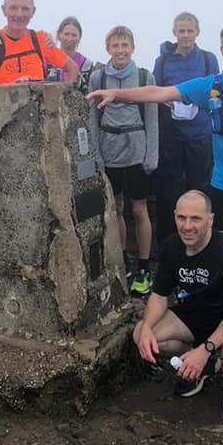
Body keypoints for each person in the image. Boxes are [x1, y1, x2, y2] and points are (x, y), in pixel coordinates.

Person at [88, 22, 223, 346]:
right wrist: (118, 92)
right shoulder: (210, 86)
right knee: (220, 249)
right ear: (222, 51)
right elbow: (161, 93)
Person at [134, 190, 223, 411]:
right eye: (181, 218)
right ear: (174, 216)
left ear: (210, 220)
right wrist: (146, 326)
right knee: (142, 334)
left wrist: (207, 348)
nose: (187, 226)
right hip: (192, 316)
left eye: (196, 219)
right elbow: (159, 296)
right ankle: (201, 365)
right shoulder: (171, 247)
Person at [88, 26, 158, 297]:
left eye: (124, 45)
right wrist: (96, 156)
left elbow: (151, 116)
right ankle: (122, 262)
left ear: (133, 47)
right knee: (115, 208)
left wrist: (152, 156)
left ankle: (143, 268)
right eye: (115, 46)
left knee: (140, 209)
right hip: (109, 151)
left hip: (137, 151)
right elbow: (92, 119)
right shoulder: (98, 77)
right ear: (108, 49)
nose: (120, 50)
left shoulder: (144, 76)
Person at [153, 12, 219, 241]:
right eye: (181, 31)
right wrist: (165, 100)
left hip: (200, 134)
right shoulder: (162, 62)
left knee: (200, 189)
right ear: (174, 33)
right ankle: (169, 243)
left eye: (190, 31)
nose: (186, 35)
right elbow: (155, 92)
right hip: (171, 135)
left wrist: (199, 101)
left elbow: (215, 92)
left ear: (197, 33)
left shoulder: (209, 60)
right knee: (168, 191)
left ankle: (202, 241)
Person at [0, 0, 78, 95]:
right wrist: (16, 89)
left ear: (33, 12)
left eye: (25, 9)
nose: (19, 14)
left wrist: (64, 99)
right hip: (3, 110)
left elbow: (72, 68)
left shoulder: (40, 40)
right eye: (13, 8)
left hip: (37, 110)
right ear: (4, 10)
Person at [46, 16, 95, 90]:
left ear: (79, 37)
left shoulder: (87, 65)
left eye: (74, 35)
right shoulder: (47, 62)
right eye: (66, 34)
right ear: (59, 35)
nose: (70, 38)